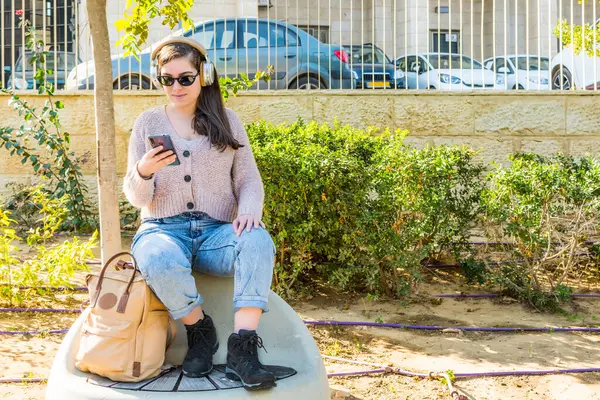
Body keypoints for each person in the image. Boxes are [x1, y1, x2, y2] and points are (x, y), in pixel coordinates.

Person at [123, 37, 276, 391]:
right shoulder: (146, 124)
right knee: (156, 258)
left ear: (203, 75)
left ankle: (242, 350)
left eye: (185, 77)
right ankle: (199, 330)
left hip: (215, 234)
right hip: (163, 229)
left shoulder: (227, 120)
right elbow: (136, 196)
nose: (176, 87)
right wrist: (143, 171)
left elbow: (248, 177)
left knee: (257, 241)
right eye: (167, 79)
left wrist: (250, 211)